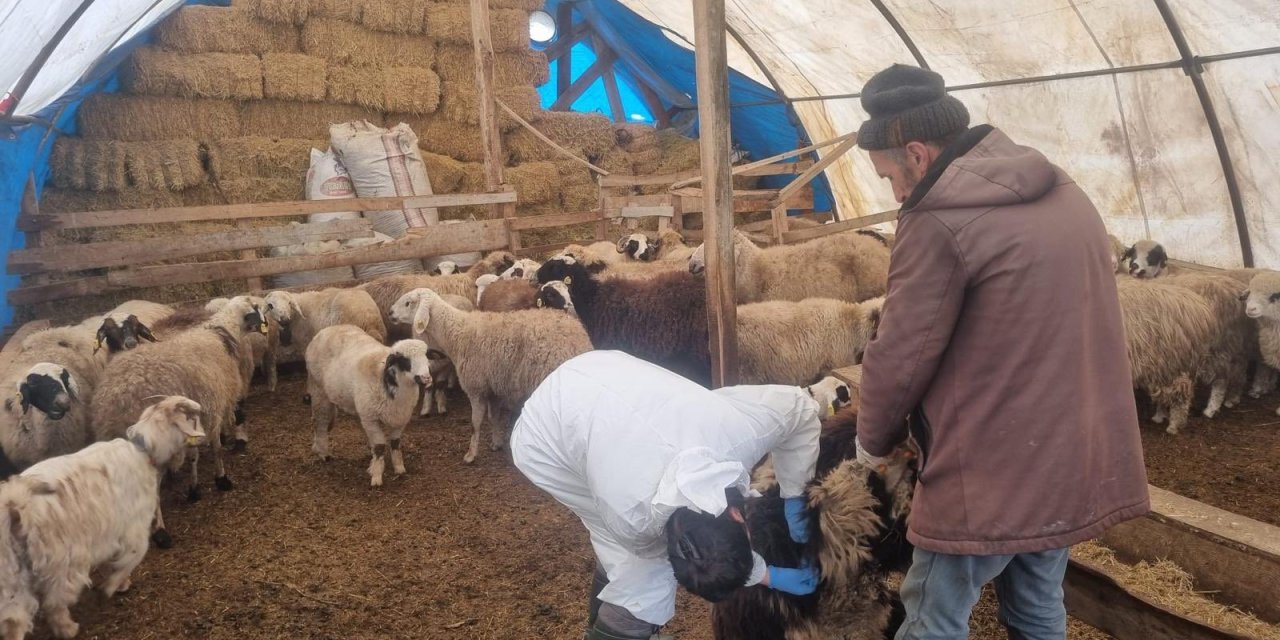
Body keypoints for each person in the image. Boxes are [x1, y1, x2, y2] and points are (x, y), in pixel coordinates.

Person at [851, 63, 1151, 640]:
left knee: (933, 613)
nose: (896, 193)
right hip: (1069, 453)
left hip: (990, 469)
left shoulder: (939, 219)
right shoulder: (1063, 191)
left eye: (889, 176)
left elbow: (902, 354)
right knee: (1037, 602)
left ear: (916, 154)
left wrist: (871, 445)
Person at [511, 350, 823, 640]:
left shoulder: (741, 431)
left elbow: (799, 408)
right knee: (644, 582)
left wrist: (794, 494)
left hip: (597, 375)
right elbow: (657, 554)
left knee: (629, 563)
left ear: (736, 514)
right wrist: (764, 574)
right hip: (546, 438)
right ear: (736, 513)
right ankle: (621, 631)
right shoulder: (631, 516)